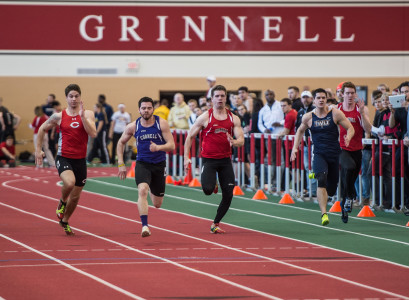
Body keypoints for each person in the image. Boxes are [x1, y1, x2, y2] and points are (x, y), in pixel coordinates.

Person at [35, 84, 97, 235]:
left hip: (80, 160)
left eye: (76, 96)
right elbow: (42, 129)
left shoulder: (88, 114)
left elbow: (93, 134)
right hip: (64, 157)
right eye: (71, 96)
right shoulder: (59, 116)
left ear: (80, 97)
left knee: (75, 197)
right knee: (69, 183)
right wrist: (38, 150)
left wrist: (83, 118)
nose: (74, 99)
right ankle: (62, 201)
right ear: (66, 98)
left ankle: (65, 220)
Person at [184, 85, 244, 234]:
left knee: (229, 194)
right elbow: (190, 136)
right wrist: (186, 157)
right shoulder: (205, 117)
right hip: (209, 160)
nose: (220, 99)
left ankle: (215, 223)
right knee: (207, 190)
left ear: (226, 98)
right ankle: (213, 182)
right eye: (217, 96)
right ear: (212, 99)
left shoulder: (233, 118)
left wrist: (234, 142)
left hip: (225, 160)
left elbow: (241, 139)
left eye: (222, 96)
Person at [291, 88, 354, 226]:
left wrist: (348, 137)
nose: (321, 100)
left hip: (334, 154)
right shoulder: (308, 117)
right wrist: (295, 148)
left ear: (326, 99)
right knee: (321, 179)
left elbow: (350, 128)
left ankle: (318, 175)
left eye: (323, 98)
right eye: (318, 98)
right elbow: (299, 131)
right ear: (314, 100)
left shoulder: (335, 114)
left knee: (331, 189)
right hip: (319, 154)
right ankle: (324, 213)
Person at [117, 97, 175, 237]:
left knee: (157, 203)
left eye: (149, 108)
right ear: (139, 110)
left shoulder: (162, 123)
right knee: (142, 190)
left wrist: (158, 147)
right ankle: (144, 226)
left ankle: (151, 187)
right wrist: (121, 164)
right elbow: (120, 143)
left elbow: (172, 145)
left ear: (153, 109)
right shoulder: (133, 126)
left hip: (159, 165)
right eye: (143, 108)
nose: (146, 110)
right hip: (142, 163)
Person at [337, 82, 372, 223]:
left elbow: (368, 129)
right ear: (342, 94)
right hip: (341, 148)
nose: (350, 95)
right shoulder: (337, 109)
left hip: (357, 149)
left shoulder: (361, 109)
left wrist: (363, 113)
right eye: (347, 93)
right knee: (348, 168)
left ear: (355, 94)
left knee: (351, 175)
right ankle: (350, 196)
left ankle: (344, 204)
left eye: (352, 93)